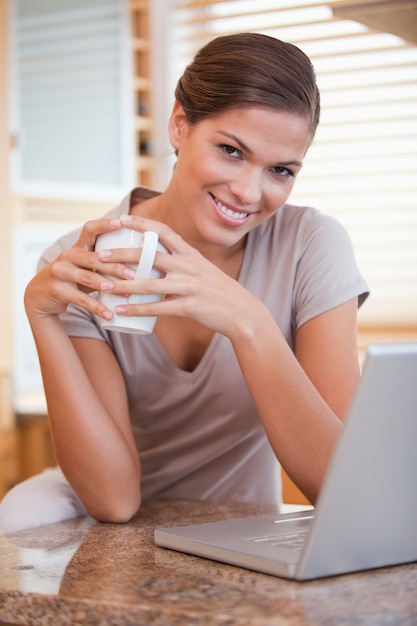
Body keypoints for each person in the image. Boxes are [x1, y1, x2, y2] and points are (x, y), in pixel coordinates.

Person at [0, 33, 368, 533]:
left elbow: (346, 486)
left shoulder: (310, 246)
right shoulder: (85, 261)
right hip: (107, 505)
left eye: (280, 169)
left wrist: (246, 319)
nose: (248, 192)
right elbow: (114, 500)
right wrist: (42, 320)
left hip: (240, 523)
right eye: (231, 150)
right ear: (179, 125)